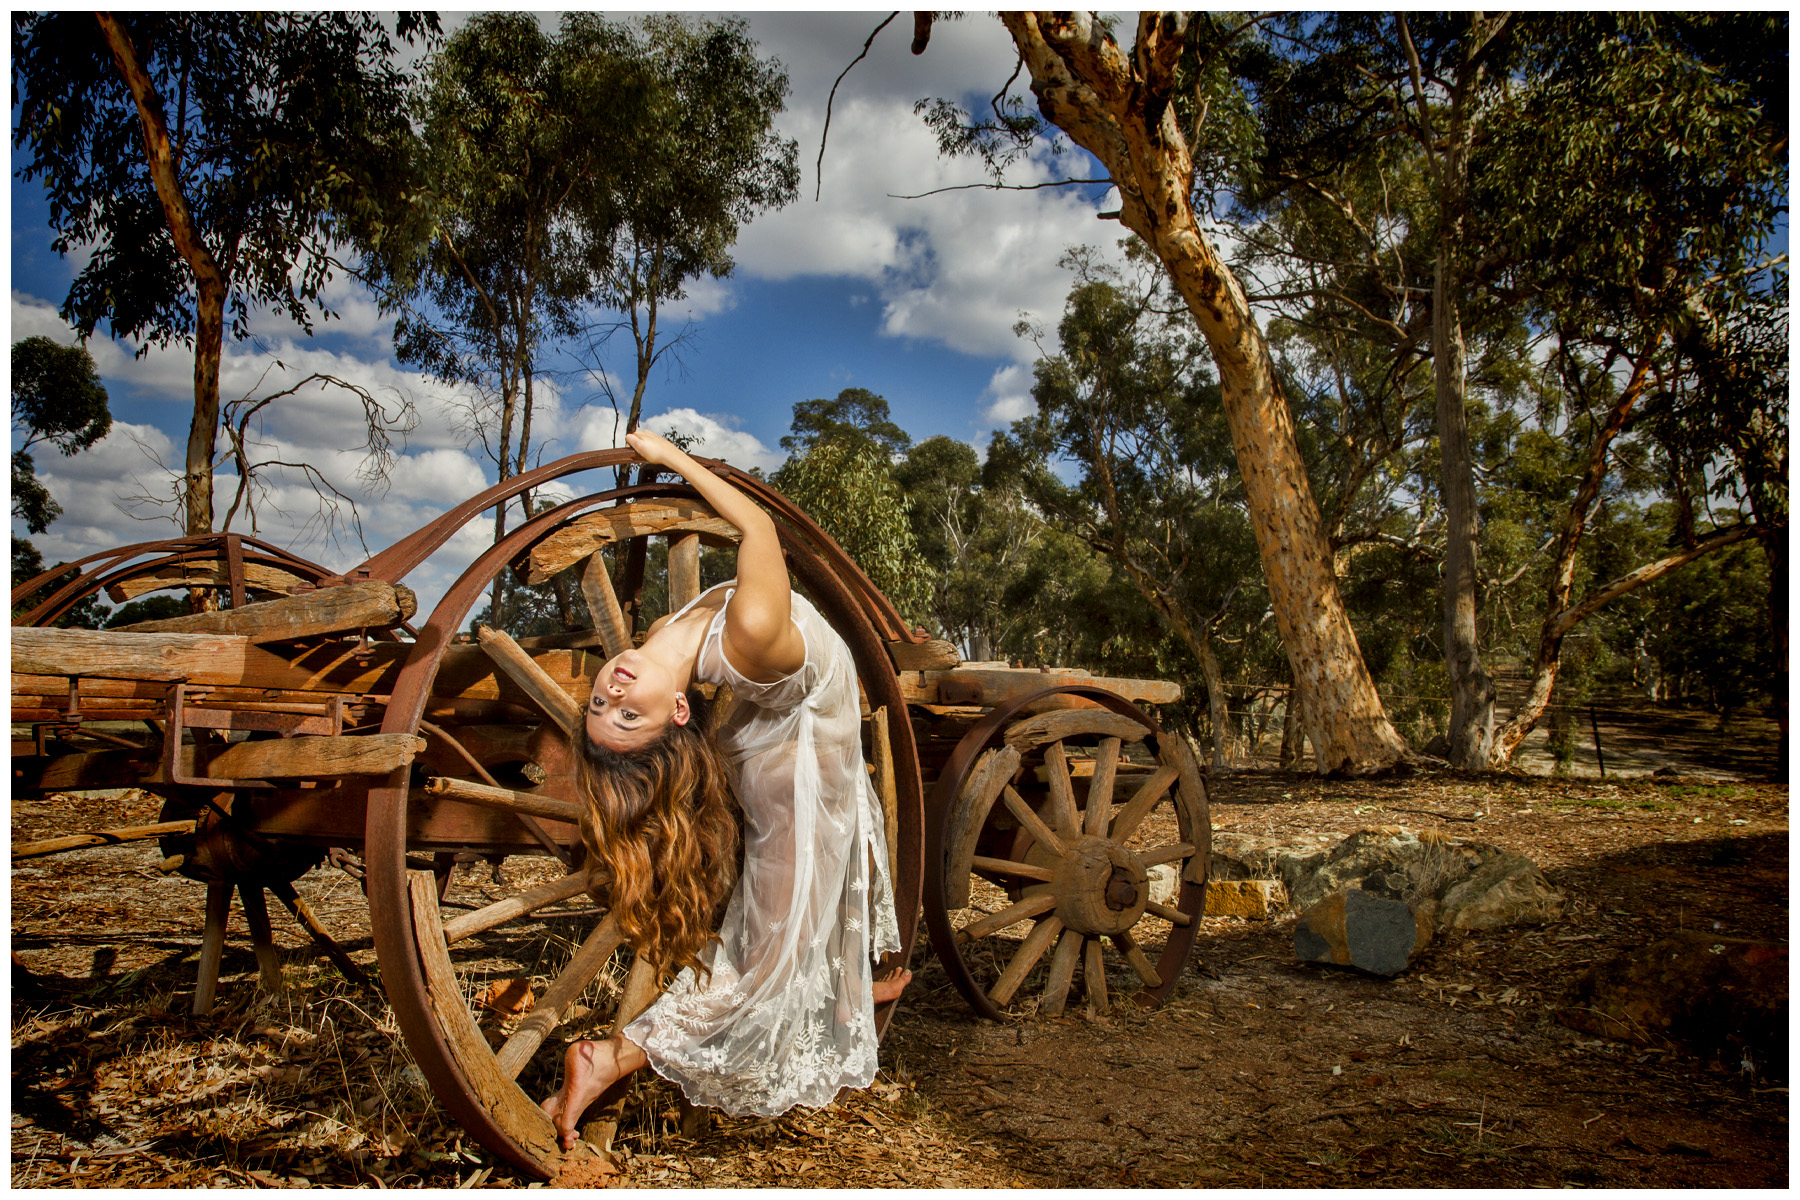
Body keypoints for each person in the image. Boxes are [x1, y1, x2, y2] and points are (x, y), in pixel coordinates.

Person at [541, 429, 910, 1149]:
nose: (610, 693)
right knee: (773, 935)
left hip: (781, 717)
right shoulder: (750, 626)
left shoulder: (660, 638)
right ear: (678, 712)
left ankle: (828, 993)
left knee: (794, 909)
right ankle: (607, 1058)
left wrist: (664, 464)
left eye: (603, 708)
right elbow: (760, 527)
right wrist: (674, 460)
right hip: (799, 744)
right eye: (626, 715)